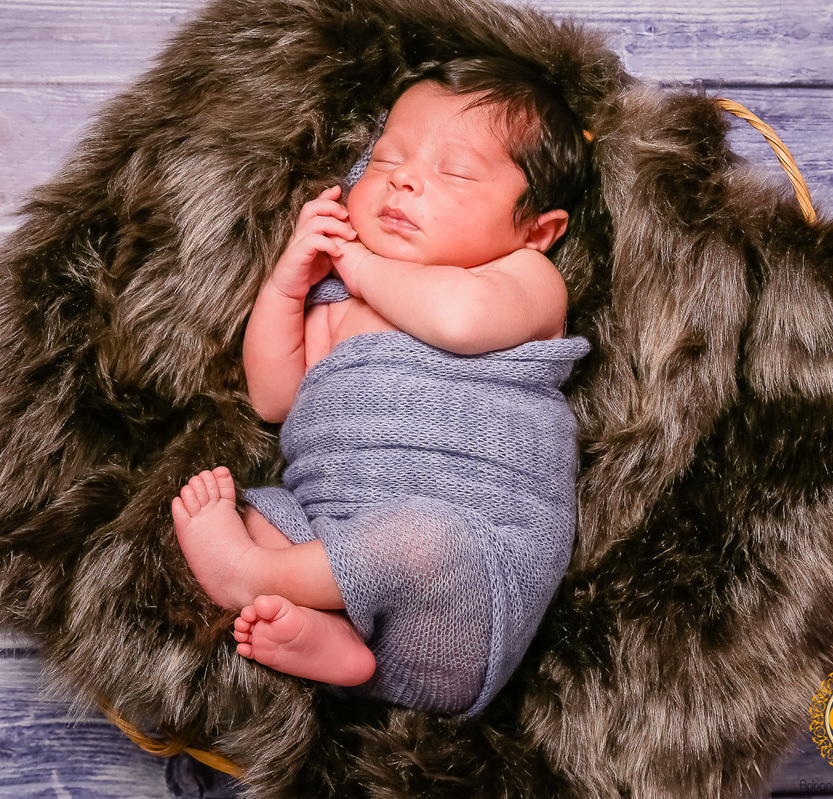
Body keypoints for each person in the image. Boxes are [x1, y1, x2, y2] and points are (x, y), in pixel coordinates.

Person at [171, 57, 591, 715]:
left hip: (466, 597)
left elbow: (458, 319)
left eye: (455, 172)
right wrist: (287, 285)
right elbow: (275, 398)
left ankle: (249, 575)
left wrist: (359, 263)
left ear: (537, 229)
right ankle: (335, 645)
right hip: (331, 552)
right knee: (263, 508)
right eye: (387, 161)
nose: (404, 181)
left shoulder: (523, 279)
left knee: (421, 539)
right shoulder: (337, 304)